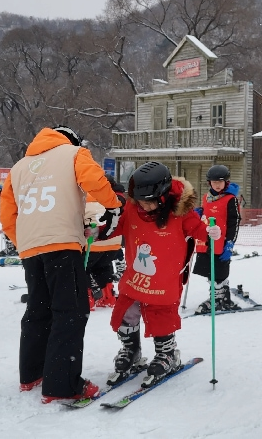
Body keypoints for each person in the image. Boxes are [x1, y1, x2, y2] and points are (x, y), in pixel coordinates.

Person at [0, 125, 122, 404]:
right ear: (71, 140)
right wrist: (114, 205)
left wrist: (27, 242)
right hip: (63, 245)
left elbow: (7, 215)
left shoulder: (19, 167)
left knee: (38, 310)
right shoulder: (74, 154)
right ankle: (62, 384)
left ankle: (31, 374)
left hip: (31, 248)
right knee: (70, 312)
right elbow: (95, 181)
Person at [106, 161, 220, 389]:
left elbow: (197, 229)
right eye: (141, 202)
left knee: (162, 316)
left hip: (164, 280)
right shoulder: (132, 208)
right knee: (126, 312)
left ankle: (167, 353)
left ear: (163, 196)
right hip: (135, 278)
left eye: (149, 203)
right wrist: (98, 229)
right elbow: (114, 227)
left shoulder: (181, 212)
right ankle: (131, 350)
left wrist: (209, 232)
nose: (145, 207)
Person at [192, 164, 242, 314]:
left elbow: (234, 223)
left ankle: (218, 299)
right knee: (209, 270)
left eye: (220, 182)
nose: (217, 185)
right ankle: (221, 296)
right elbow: (206, 214)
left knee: (219, 271)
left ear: (226, 182)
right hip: (206, 240)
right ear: (210, 183)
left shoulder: (230, 200)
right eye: (214, 182)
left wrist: (230, 243)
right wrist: (200, 212)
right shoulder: (206, 197)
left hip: (222, 242)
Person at [83, 174, 127, 309]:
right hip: (114, 242)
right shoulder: (115, 198)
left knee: (81, 269)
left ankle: (87, 300)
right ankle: (108, 296)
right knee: (102, 267)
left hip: (92, 242)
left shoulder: (84, 196)